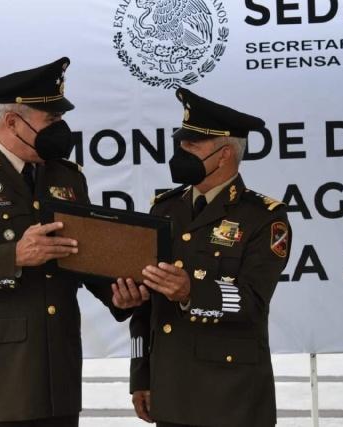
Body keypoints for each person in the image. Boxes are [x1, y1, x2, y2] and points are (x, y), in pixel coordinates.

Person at [0, 57, 142, 427]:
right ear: (12, 121)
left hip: (57, 374)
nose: (61, 130)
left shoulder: (68, 176)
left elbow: (81, 253)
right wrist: (14, 255)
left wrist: (117, 295)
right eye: (51, 121)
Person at [128, 88, 292, 427]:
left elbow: (252, 300)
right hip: (170, 393)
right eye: (182, 143)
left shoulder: (264, 218)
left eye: (193, 145)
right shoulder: (164, 208)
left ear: (225, 154)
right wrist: (141, 376)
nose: (181, 152)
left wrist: (192, 292)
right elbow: (147, 310)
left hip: (232, 398)